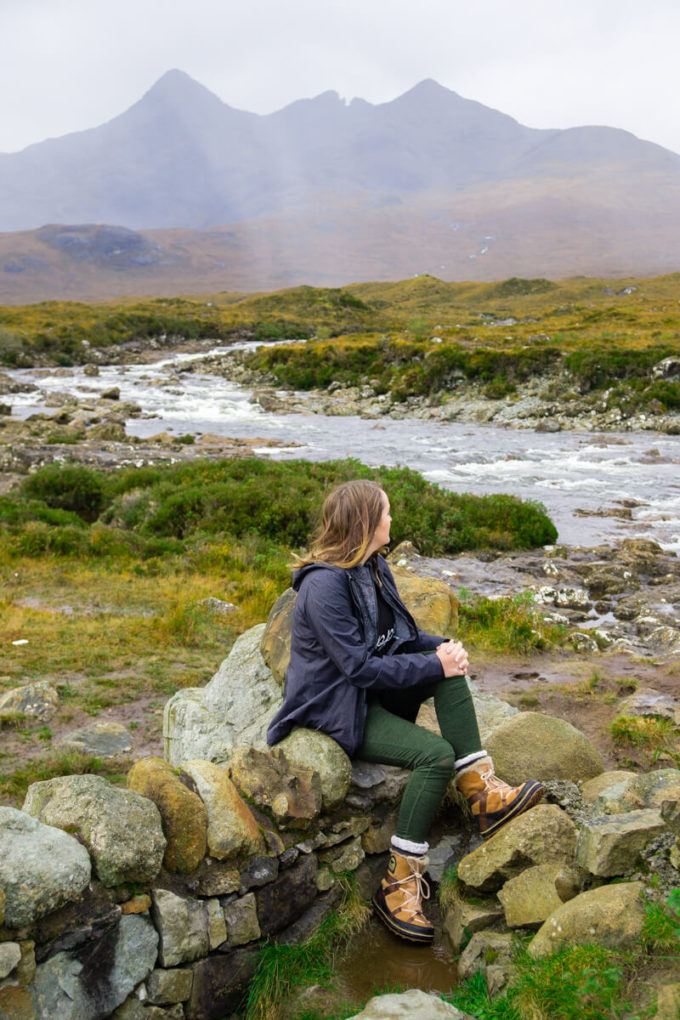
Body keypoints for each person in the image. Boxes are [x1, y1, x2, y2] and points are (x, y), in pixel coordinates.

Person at [267, 479, 544, 945]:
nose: (392, 520)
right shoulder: (323, 587)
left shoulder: (374, 567)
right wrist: (433, 662)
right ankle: (397, 886)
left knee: (447, 671)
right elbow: (357, 668)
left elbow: (400, 640)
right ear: (365, 523)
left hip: (368, 694)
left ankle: (483, 795)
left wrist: (444, 652)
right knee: (434, 756)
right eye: (386, 513)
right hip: (336, 709)